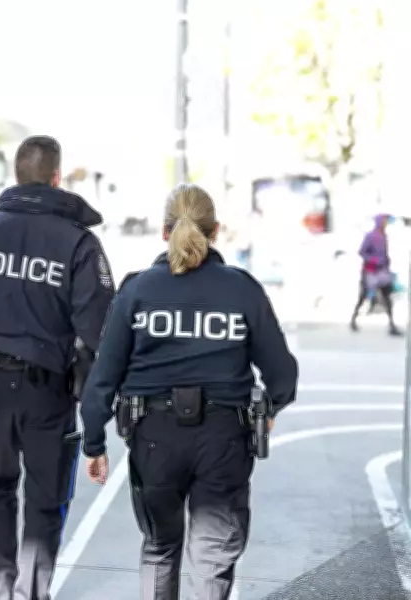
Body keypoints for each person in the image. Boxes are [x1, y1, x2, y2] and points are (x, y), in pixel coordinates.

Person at [80, 183, 299, 600]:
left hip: (154, 440)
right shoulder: (242, 290)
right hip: (224, 441)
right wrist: (269, 408)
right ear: (215, 230)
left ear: (164, 233)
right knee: (211, 560)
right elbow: (283, 375)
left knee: (161, 549)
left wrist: (94, 443)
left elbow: (103, 376)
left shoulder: (137, 291)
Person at [0, 135, 115, 600]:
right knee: (45, 497)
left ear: (16, 177)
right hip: (48, 393)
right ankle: (32, 593)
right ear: (57, 178)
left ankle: (0, 588)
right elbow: (102, 332)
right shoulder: (79, 243)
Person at [350, 213, 400, 335]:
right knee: (363, 297)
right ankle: (353, 320)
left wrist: (387, 266)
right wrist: (374, 260)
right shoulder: (370, 236)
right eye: (384, 221)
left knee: (387, 298)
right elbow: (362, 252)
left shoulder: (384, 236)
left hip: (382, 272)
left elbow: (385, 255)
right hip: (370, 271)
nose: (386, 224)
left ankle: (392, 325)